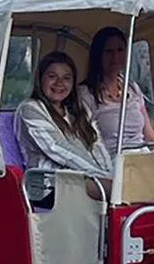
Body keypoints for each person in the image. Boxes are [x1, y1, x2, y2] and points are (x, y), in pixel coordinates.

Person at [14, 51, 114, 205]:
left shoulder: (79, 111)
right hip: (43, 184)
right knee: (110, 190)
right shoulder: (30, 108)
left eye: (67, 78)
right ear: (40, 79)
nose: (60, 83)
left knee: (122, 188)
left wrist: (109, 173)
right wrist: (99, 176)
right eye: (52, 76)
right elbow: (58, 148)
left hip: (79, 176)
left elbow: (97, 145)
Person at [78, 26, 154, 156]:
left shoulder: (132, 88)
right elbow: (85, 141)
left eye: (120, 50)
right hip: (112, 162)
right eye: (109, 51)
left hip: (142, 159)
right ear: (99, 55)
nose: (115, 56)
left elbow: (150, 137)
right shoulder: (85, 94)